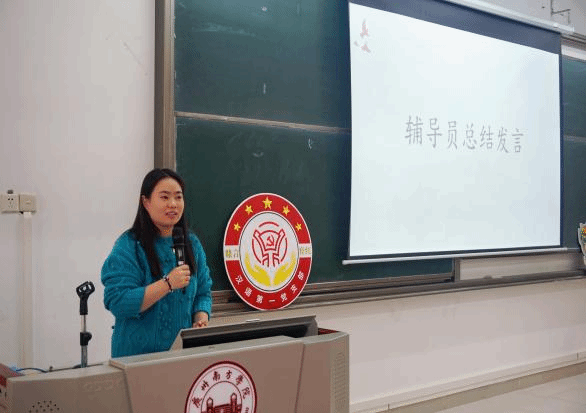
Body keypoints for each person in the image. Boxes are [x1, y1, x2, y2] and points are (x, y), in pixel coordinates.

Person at [101, 168, 212, 358]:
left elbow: (203, 292)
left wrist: (201, 317)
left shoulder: (191, 244)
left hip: (182, 355)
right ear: (146, 202)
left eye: (178, 197)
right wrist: (167, 284)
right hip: (137, 358)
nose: (173, 204)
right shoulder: (129, 246)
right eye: (164, 197)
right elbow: (118, 302)